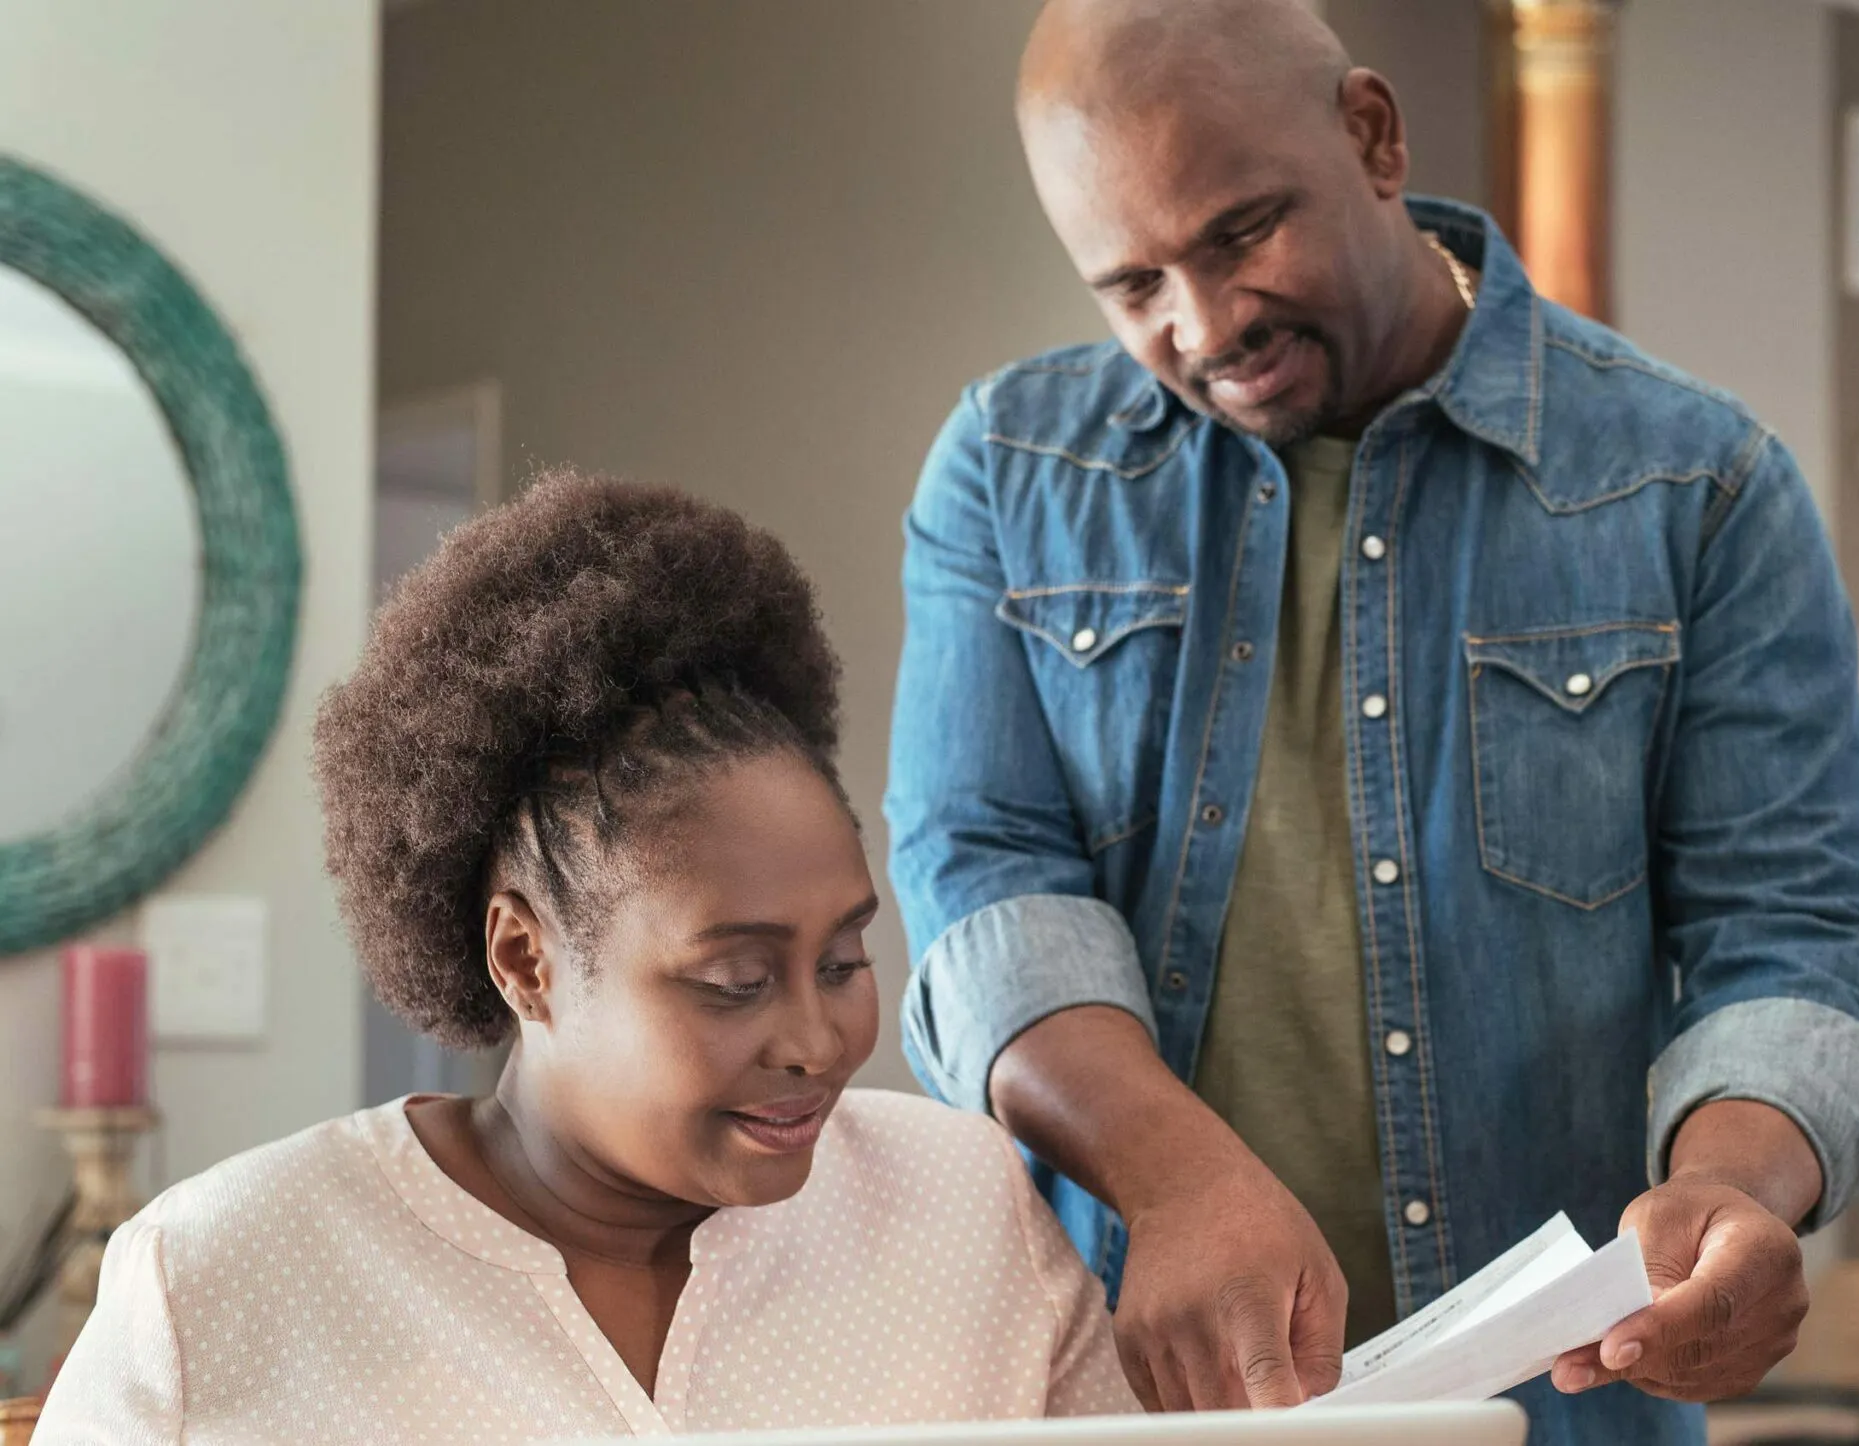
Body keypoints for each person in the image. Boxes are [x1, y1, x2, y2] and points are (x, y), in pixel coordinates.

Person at [885, 1, 1859, 1441]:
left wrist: (1736, 1189)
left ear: (1372, 134)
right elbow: (983, 876)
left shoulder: (1702, 486)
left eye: (1241, 232)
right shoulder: (1010, 468)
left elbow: (1793, 926)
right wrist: (1175, 1173)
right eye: (1132, 285)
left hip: (1561, 1407)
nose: (1204, 323)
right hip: (1123, 1398)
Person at [35, 474, 1137, 1444]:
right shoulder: (224, 1273)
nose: (816, 1040)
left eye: (843, 959)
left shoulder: (960, 1205)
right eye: (736, 982)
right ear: (524, 958)